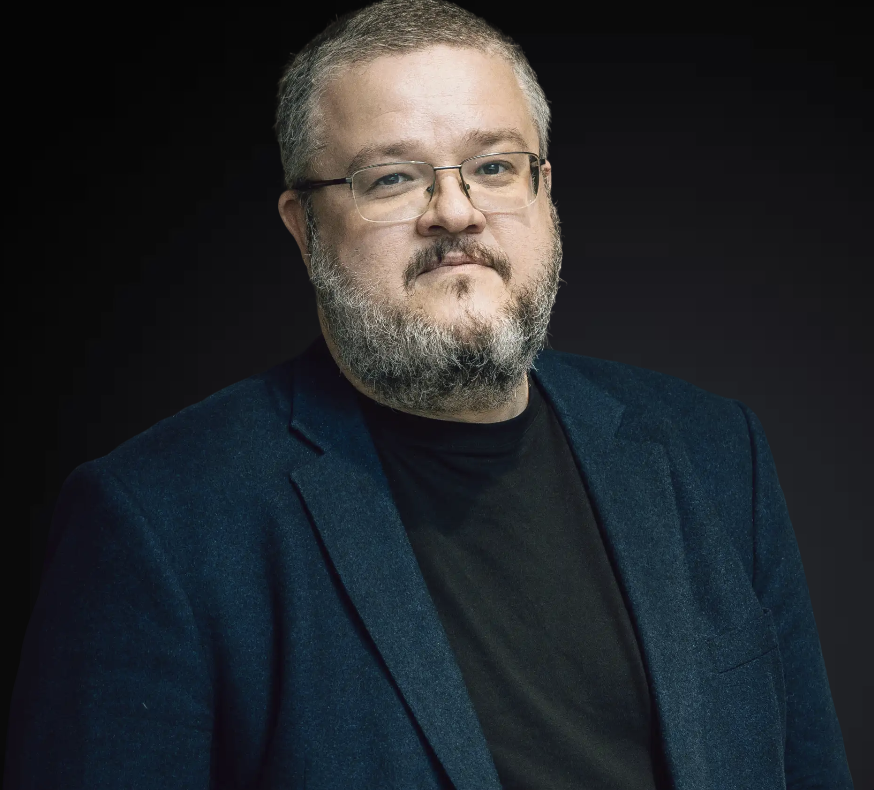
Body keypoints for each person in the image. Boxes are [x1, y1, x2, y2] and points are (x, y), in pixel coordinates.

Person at [5, 2, 853, 788]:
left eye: (494, 166)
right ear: (304, 227)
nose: (456, 211)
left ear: (544, 192)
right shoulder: (158, 520)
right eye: (392, 179)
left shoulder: (714, 452)